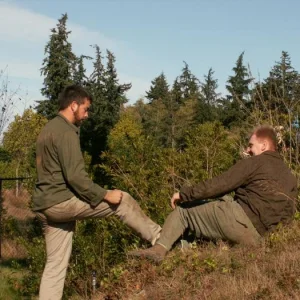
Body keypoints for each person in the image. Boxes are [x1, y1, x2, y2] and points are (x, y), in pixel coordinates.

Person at [32, 85, 161, 300]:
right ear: (74, 105)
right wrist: (104, 194)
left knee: (55, 266)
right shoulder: (65, 132)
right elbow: (76, 177)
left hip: (44, 205)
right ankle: (162, 238)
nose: (87, 114)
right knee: (123, 201)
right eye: (85, 108)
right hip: (60, 203)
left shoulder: (48, 129)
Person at [128, 126, 297, 262]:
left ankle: (159, 249)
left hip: (242, 221)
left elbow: (221, 184)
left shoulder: (256, 162)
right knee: (213, 216)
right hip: (261, 238)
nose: (248, 149)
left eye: (251, 145)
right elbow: (289, 212)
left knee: (184, 212)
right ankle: (182, 249)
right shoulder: (289, 175)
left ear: (264, 146)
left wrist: (184, 194)